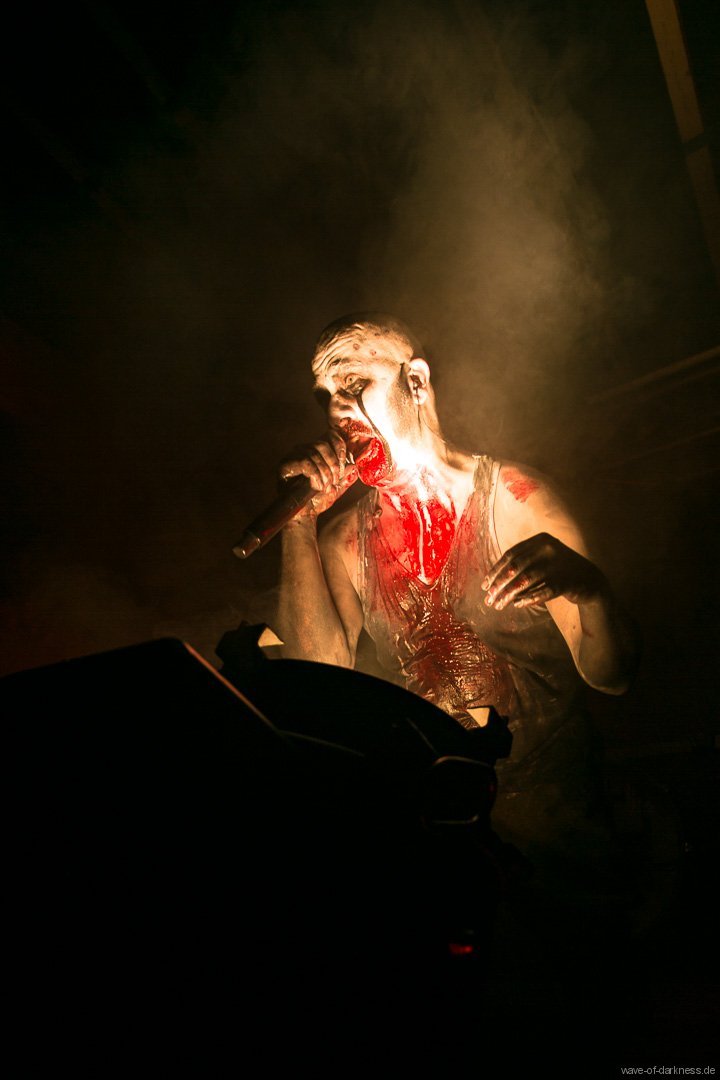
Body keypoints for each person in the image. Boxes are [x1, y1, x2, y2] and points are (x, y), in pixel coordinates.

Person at [273, 311, 640, 892]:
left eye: (353, 384)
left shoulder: (515, 499)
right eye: (325, 397)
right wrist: (297, 523)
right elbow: (315, 680)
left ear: (416, 381)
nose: (337, 411)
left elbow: (613, 677)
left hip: (558, 837)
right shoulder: (343, 542)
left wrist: (589, 588)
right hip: (440, 840)